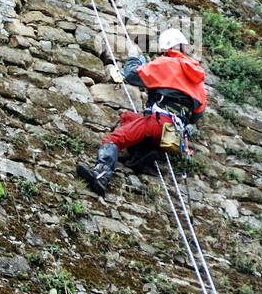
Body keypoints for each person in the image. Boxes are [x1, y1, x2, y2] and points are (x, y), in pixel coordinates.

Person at [77, 27, 207, 196]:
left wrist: (132, 59)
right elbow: (197, 115)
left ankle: (101, 175)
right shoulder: (198, 82)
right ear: (182, 47)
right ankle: (143, 152)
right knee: (128, 117)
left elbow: (132, 75)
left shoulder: (165, 63)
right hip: (174, 135)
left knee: (114, 139)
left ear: (166, 49)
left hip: (159, 122)